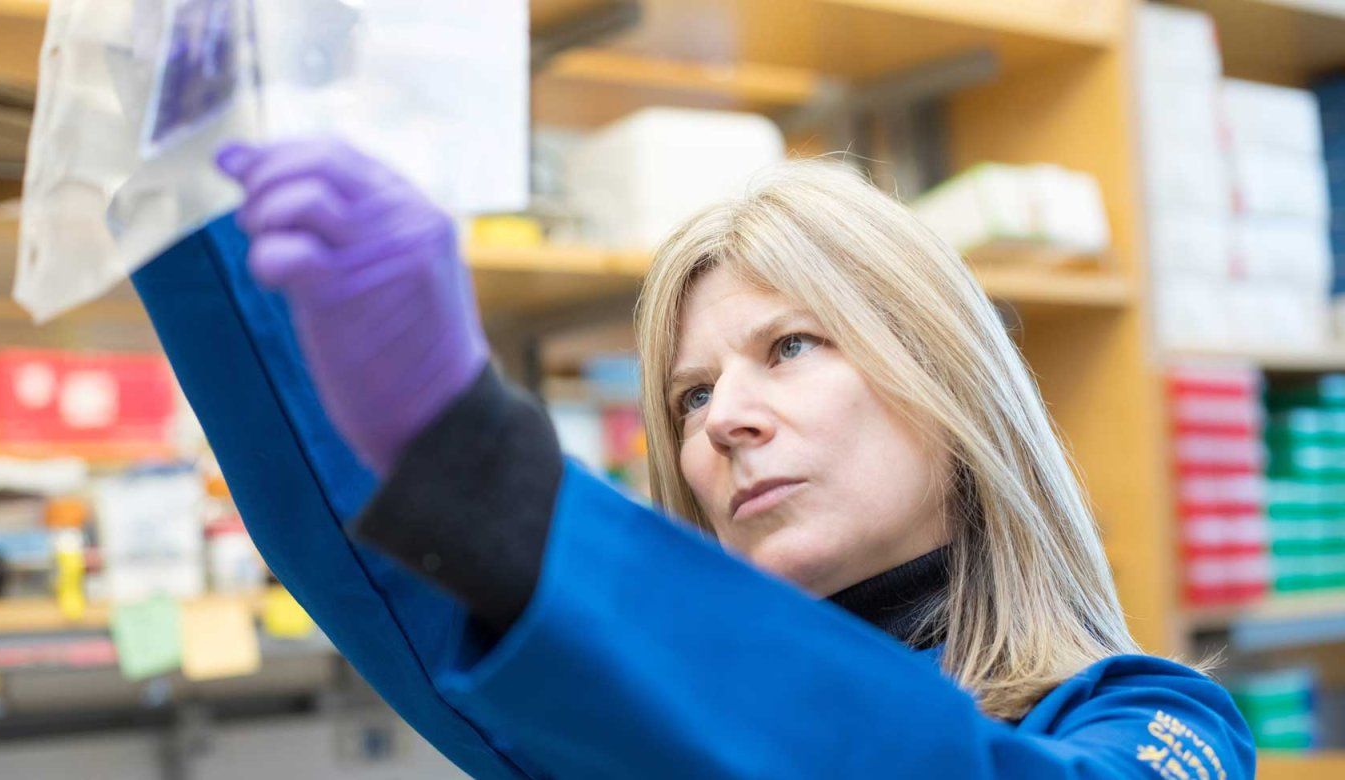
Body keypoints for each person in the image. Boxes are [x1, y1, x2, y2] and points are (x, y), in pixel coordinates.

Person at [128, 137, 1254, 779]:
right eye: (692, 394)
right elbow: (395, 587)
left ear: (951, 383)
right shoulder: (638, 724)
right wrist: (186, 169)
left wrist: (479, 460)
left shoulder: (1157, 725)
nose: (723, 421)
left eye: (790, 346)